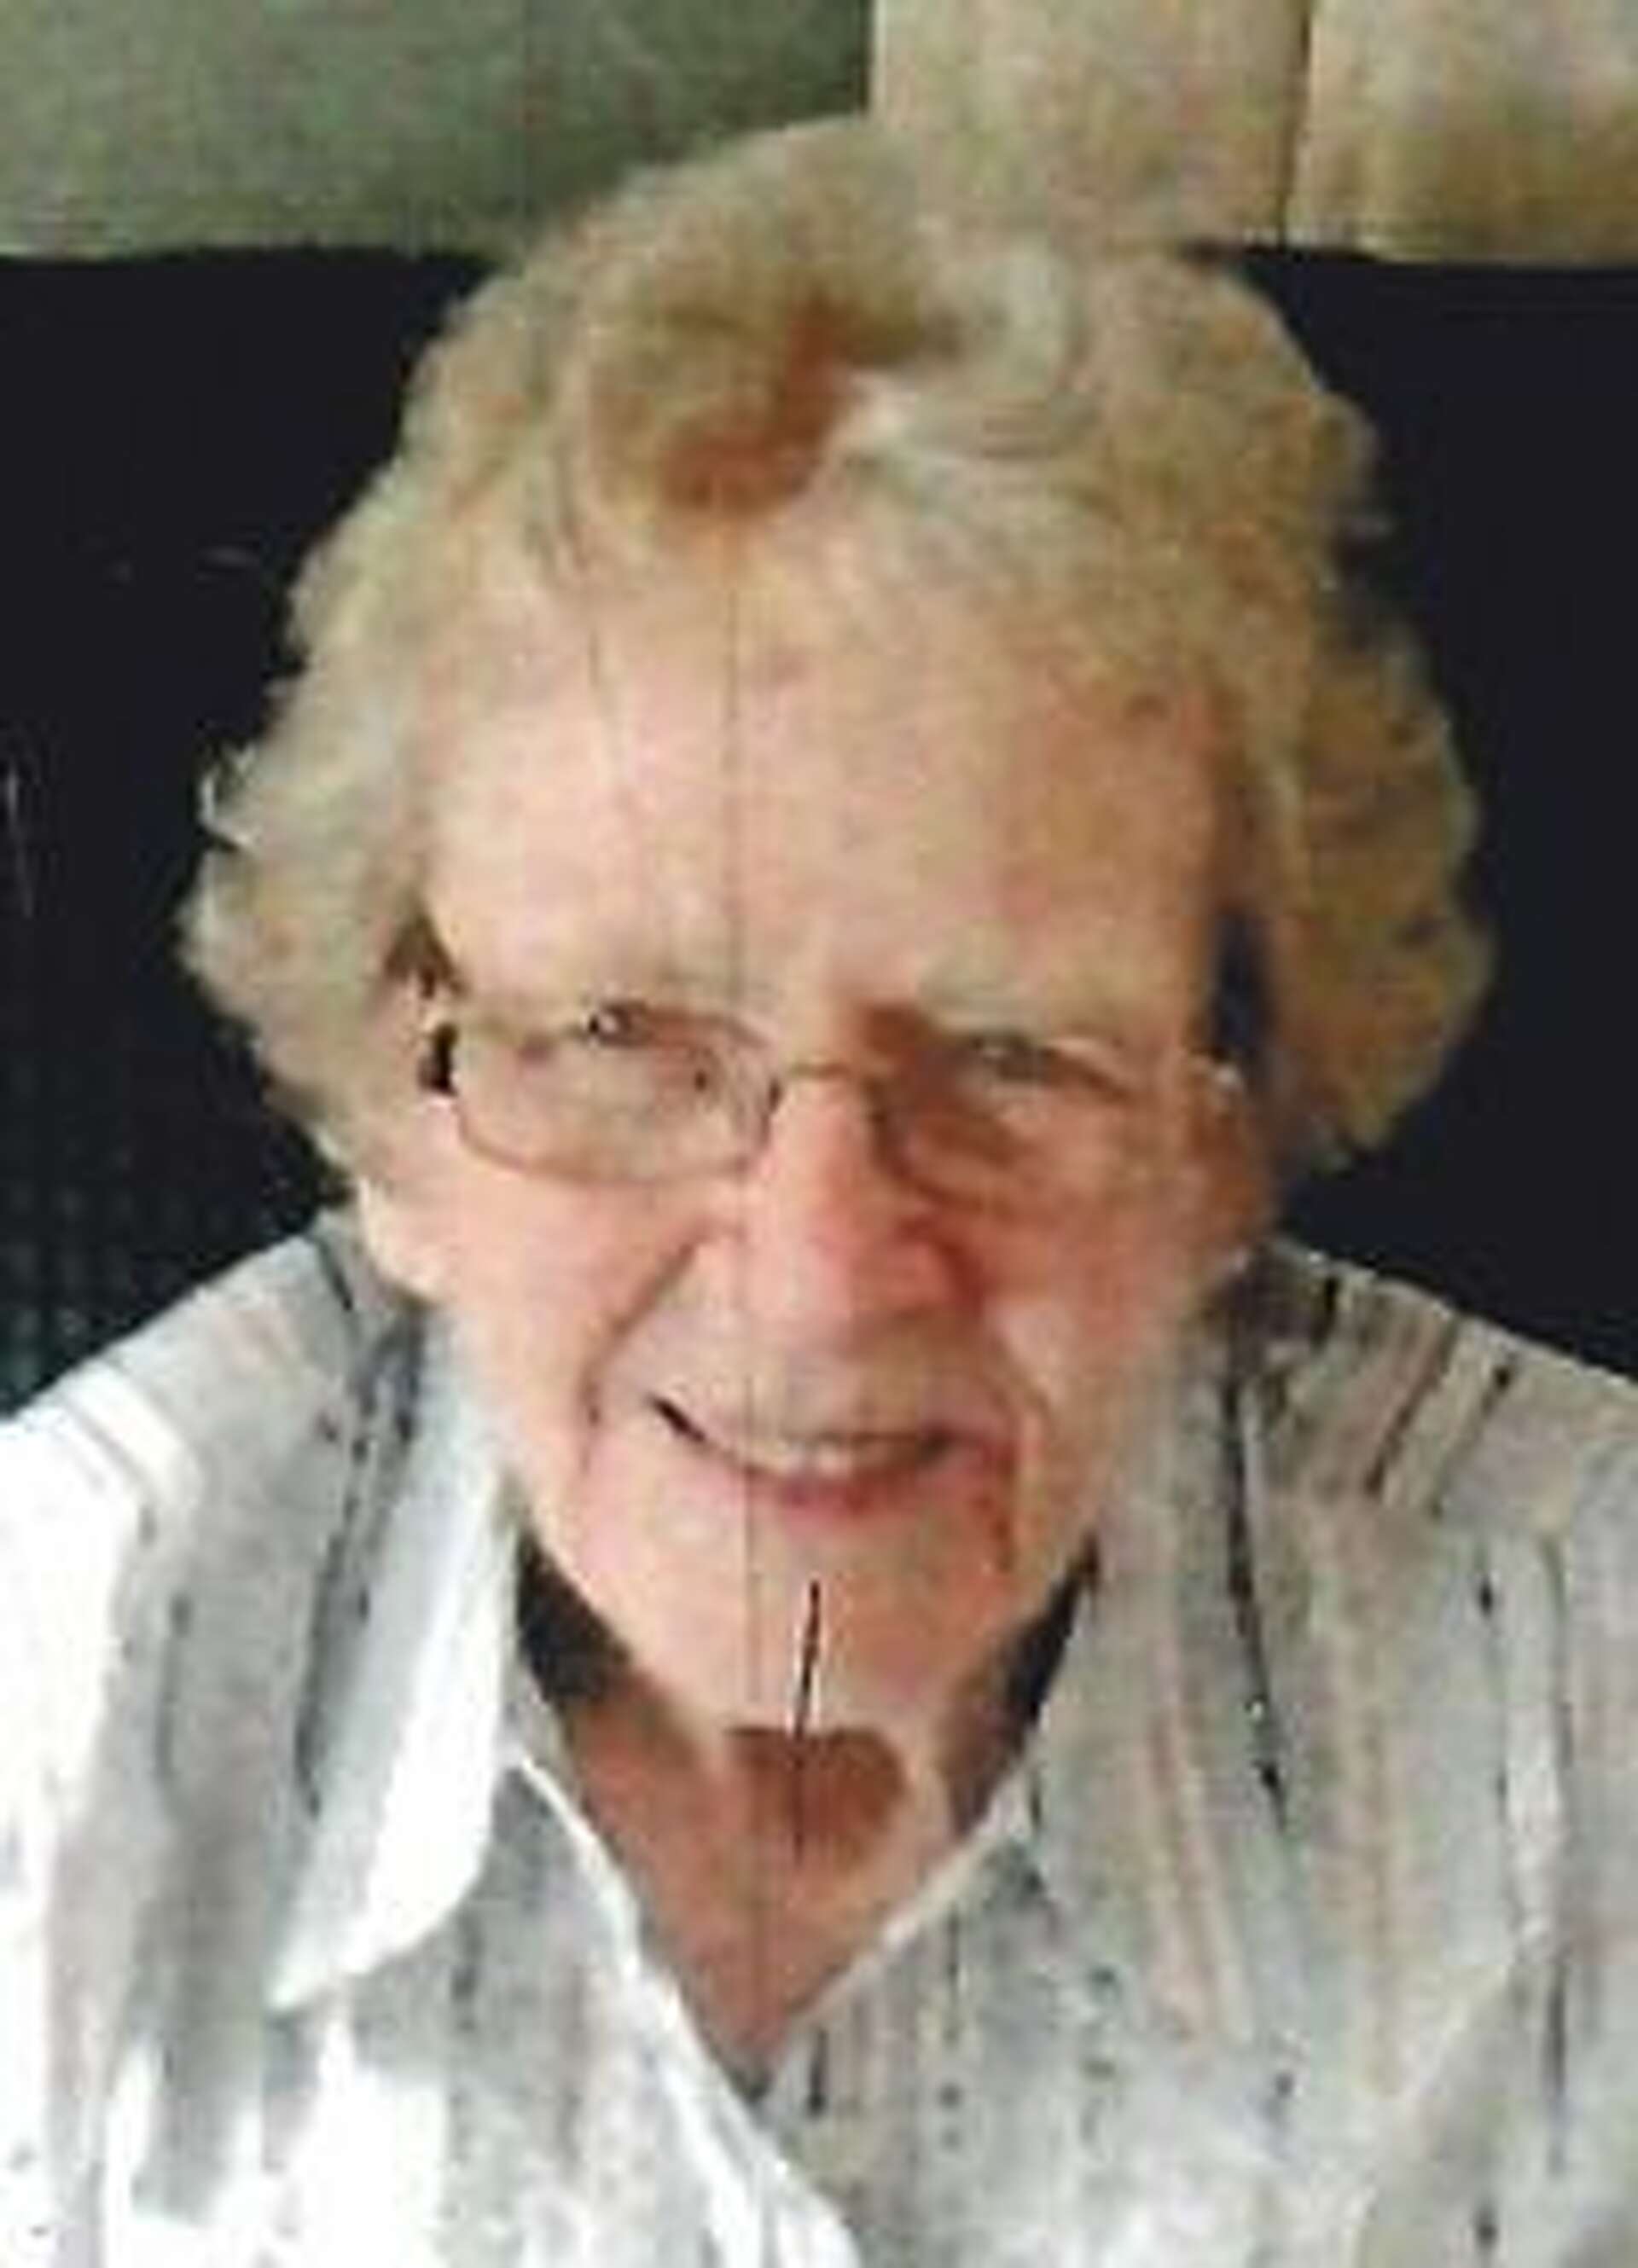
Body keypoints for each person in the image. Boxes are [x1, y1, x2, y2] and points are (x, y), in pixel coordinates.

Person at [2, 118, 1635, 2266]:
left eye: (1013, 1060)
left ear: (1233, 1133)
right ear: (393, 1108)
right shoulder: (52, 1724)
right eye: (625, 1038)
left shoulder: (1590, 1688)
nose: (820, 1273)